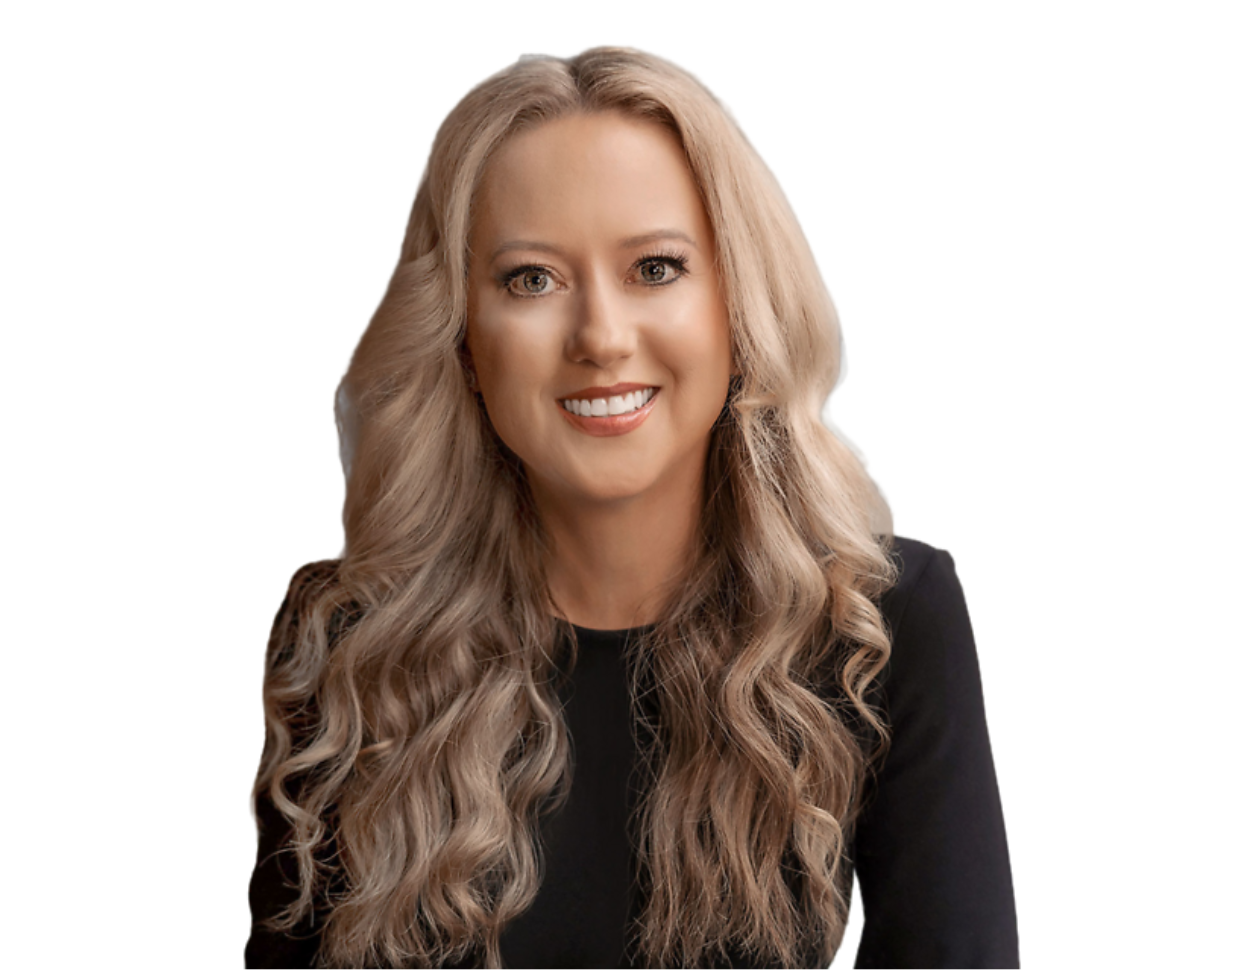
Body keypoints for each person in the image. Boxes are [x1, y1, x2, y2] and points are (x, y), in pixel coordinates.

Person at [247, 44, 1019, 970]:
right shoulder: (344, 643)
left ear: (739, 305)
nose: (602, 339)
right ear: (459, 334)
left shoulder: (887, 627)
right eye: (530, 279)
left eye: (655, 268)